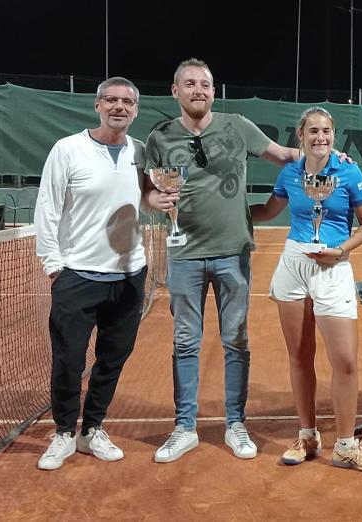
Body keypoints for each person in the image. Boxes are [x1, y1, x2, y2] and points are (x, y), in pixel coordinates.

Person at [144, 58, 302, 463]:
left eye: (206, 84)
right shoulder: (160, 136)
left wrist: (331, 156)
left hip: (233, 253)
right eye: (190, 83)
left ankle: (235, 424)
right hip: (184, 255)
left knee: (236, 340)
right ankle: (184, 427)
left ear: (214, 92)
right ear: (175, 90)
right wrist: (155, 200)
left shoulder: (238, 125)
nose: (199, 90)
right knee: (185, 342)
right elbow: (149, 191)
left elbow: (285, 155)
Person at [250, 106, 362, 473]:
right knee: (299, 355)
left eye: (326, 131)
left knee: (344, 361)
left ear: (334, 134)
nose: (320, 137)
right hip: (294, 263)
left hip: (334, 265)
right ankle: (307, 436)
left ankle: (345, 446)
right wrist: (222, 212)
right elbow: (266, 210)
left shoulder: (348, 170)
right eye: (313, 131)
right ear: (301, 135)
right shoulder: (290, 173)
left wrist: (341, 250)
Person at [34, 77, 147, 470]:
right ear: (97, 105)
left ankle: (91, 429)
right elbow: (47, 207)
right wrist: (52, 263)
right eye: (111, 100)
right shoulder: (68, 149)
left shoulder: (141, 151)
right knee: (68, 360)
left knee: (112, 359)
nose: (119, 107)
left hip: (130, 275)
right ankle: (64, 432)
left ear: (136, 109)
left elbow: (149, 197)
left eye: (127, 102)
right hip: (78, 275)